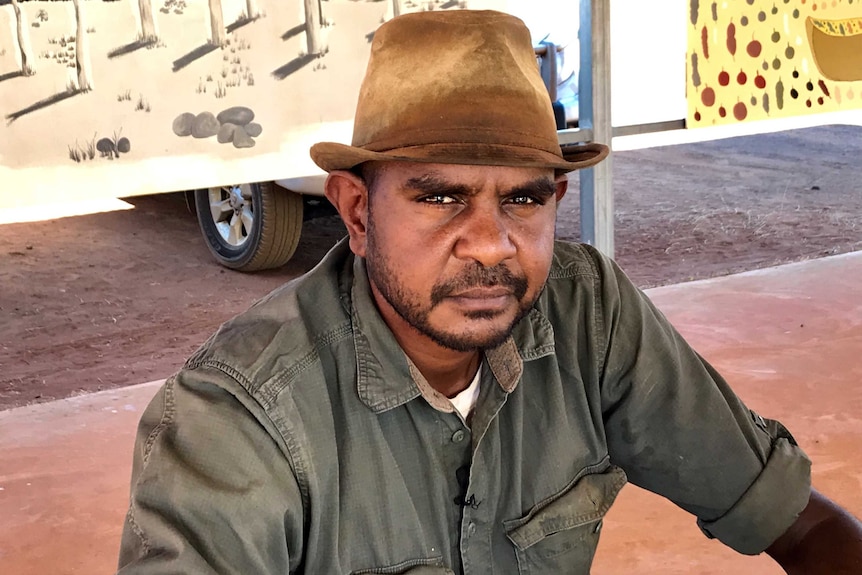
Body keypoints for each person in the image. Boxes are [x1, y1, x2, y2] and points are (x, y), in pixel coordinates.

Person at [116, 9, 862, 574]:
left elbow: (796, 521)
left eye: (524, 200)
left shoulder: (588, 316)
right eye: (441, 198)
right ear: (355, 212)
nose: (492, 243)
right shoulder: (238, 418)